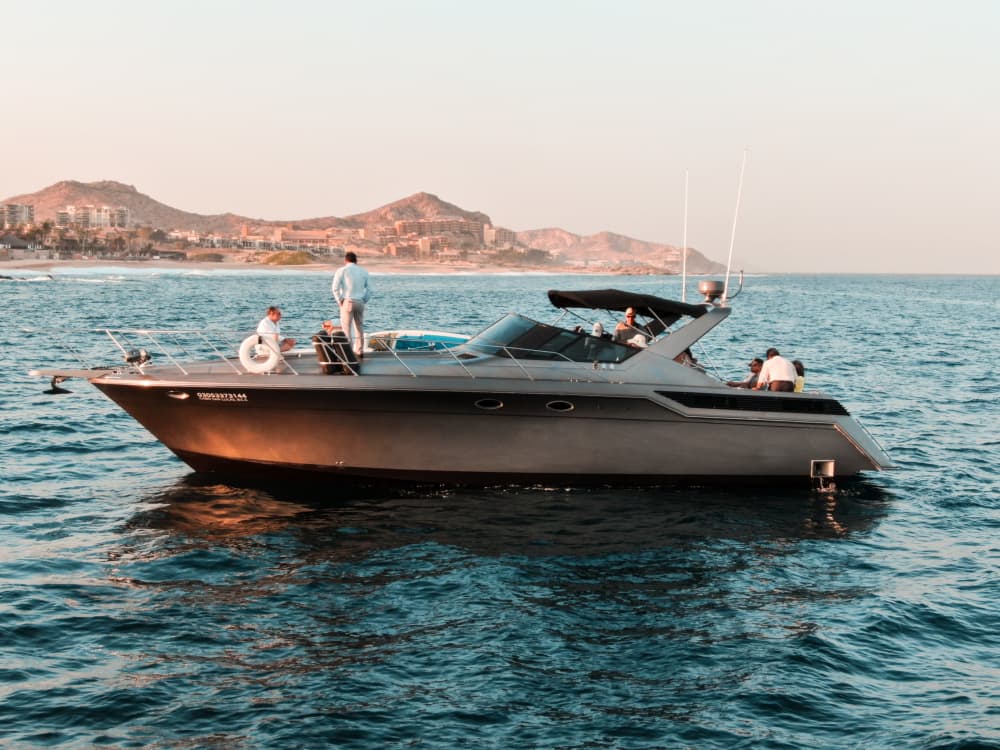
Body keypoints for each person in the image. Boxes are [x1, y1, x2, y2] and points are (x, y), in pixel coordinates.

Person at [331, 251, 372, 357]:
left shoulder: (342, 270)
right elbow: (370, 289)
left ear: (345, 260)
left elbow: (335, 288)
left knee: (346, 329)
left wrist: (339, 300)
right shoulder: (364, 271)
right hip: (359, 301)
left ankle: (347, 353)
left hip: (347, 301)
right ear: (356, 260)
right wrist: (364, 300)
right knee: (359, 327)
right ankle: (359, 351)